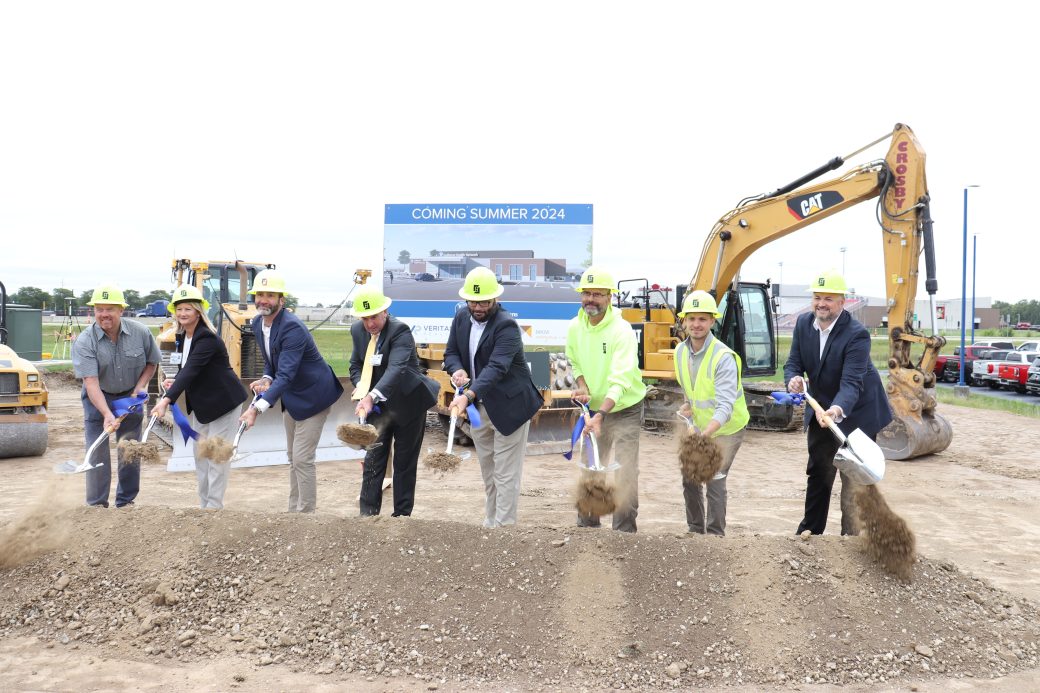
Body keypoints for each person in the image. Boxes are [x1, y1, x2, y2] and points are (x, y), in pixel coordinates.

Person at [784, 270, 893, 535]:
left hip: (857, 414)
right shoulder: (803, 325)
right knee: (819, 471)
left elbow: (851, 383)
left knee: (853, 479)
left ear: (842, 303)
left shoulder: (856, 335)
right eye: (817, 297)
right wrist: (794, 379)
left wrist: (837, 409)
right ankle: (810, 533)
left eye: (828, 299)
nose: (821, 303)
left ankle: (850, 540)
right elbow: (793, 363)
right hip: (823, 410)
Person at [443, 267, 542, 528]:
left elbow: (497, 368)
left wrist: (469, 394)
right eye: (473, 301)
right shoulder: (461, 318)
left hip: (510, 407)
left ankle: (504, 528)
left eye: (484, 301)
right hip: (479, 410)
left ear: (495, 299)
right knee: (488, 469)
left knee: (505, 472)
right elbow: (451, 352)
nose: (478, 307)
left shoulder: (507, 325)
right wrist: (457, 370)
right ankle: (491, 523)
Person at [239, 269, 344, 513]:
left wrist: (256, 408)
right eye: (259, 294)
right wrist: (266, 377)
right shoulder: (258, 323)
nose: (263, 300)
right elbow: (272, 360)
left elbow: (285, 375)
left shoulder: (292, 327)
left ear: (281, 300)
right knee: (292, 457)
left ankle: (305, 515)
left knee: (302, 459)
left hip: (314, 396)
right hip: (292, 398)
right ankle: (292, 513)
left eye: (270, 295)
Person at [151, 285, 249, 510]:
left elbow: (193, 368)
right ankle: (204, 504)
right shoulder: (181, 335)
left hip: (224, 403)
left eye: (188, 309)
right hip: (203, 405)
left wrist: (167, 400)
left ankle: (213, 508)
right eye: (179, 309)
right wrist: (173, 381)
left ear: (198, 312)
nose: (183, 313)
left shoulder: (207, 338)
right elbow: (184, 369)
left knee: (215, 454)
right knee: (199, 454)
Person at [566, 266, 646, 533]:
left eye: (597, 294)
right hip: (593, 410)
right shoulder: (575, 327)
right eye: (586, 293)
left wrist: (601, 414)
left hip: (624, 409)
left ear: (610, 297)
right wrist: (582, 385)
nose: (590, 299)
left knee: (624, 472)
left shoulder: (621, 331)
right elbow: (575, 362)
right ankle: (587, 527)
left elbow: (621, 380)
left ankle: (624, 531)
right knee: (591, 468)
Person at [349, 286, 436, 516]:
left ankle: (401, 517)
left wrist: (370, 396)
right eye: (364, 318)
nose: (369, 324)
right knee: (373, 459)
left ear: (385, 312)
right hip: (378, 407)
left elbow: (395, 369)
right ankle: (367, 516)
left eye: (374, 317)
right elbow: (356, 365)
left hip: (409, 405)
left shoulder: (400, 331)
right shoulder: (357, 331)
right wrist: (361, 387)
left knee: (404, 464)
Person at [71, 284, 160, 508]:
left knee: (129, 450)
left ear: (121, 310)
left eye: (109, 309)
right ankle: (97, 505)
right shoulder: (85, 341)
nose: (104, 315)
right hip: (97, 399)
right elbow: (91, 382)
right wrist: (106, 413)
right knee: (98, 452)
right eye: (99, 309)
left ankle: (126, 501)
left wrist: (140, 387)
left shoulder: (140, 332)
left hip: (129, 397)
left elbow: (152, 362)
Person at [673, 290, 749, 536]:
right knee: (690, 475)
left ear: (712, 321)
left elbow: (725, 407)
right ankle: (696, 532)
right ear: (684, 321)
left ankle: (715, 537)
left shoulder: (723, 357)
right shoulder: (680, 352)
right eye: (691, 319)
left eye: (702, 319)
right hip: (702, 424)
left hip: (728, 427)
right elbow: (692, 389)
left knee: (714, 475)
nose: (696, 324)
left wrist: (704, 435)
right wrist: (688, 407)